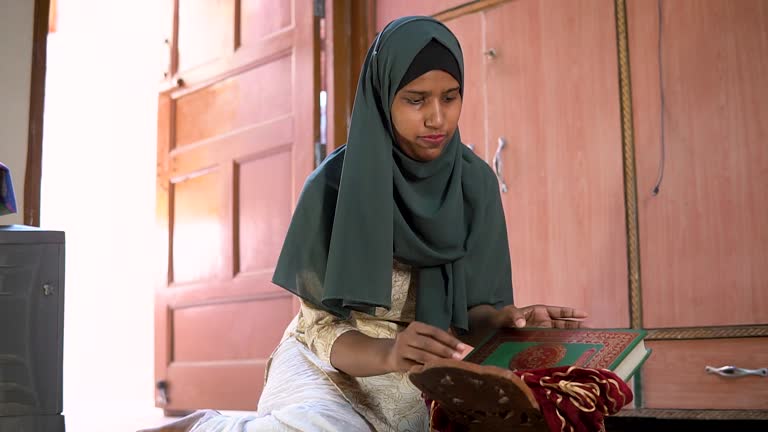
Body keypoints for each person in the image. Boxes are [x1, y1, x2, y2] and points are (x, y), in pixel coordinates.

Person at [139, 15, 587, 432]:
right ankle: (207, 425)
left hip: (424, 380)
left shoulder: (475, 185)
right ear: (382, 97)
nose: (437, 117)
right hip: (330, 366)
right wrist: (389, 352)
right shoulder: (334, 186)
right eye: (416, 100)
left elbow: (472, 315)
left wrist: (512, 319)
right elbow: (320, 328)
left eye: (450, 97)